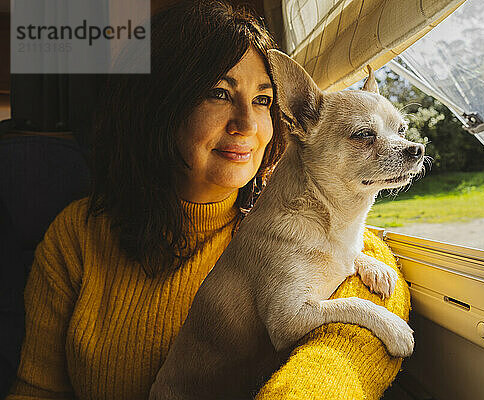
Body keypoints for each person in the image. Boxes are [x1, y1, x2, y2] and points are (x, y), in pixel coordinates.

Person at [6, 1, 411, 399]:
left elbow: (344, 353)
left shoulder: (337, 232)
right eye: (219, 93)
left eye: (264, 100)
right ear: (159, 107)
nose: (247, 124)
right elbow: (37, 390)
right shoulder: (76, 237)